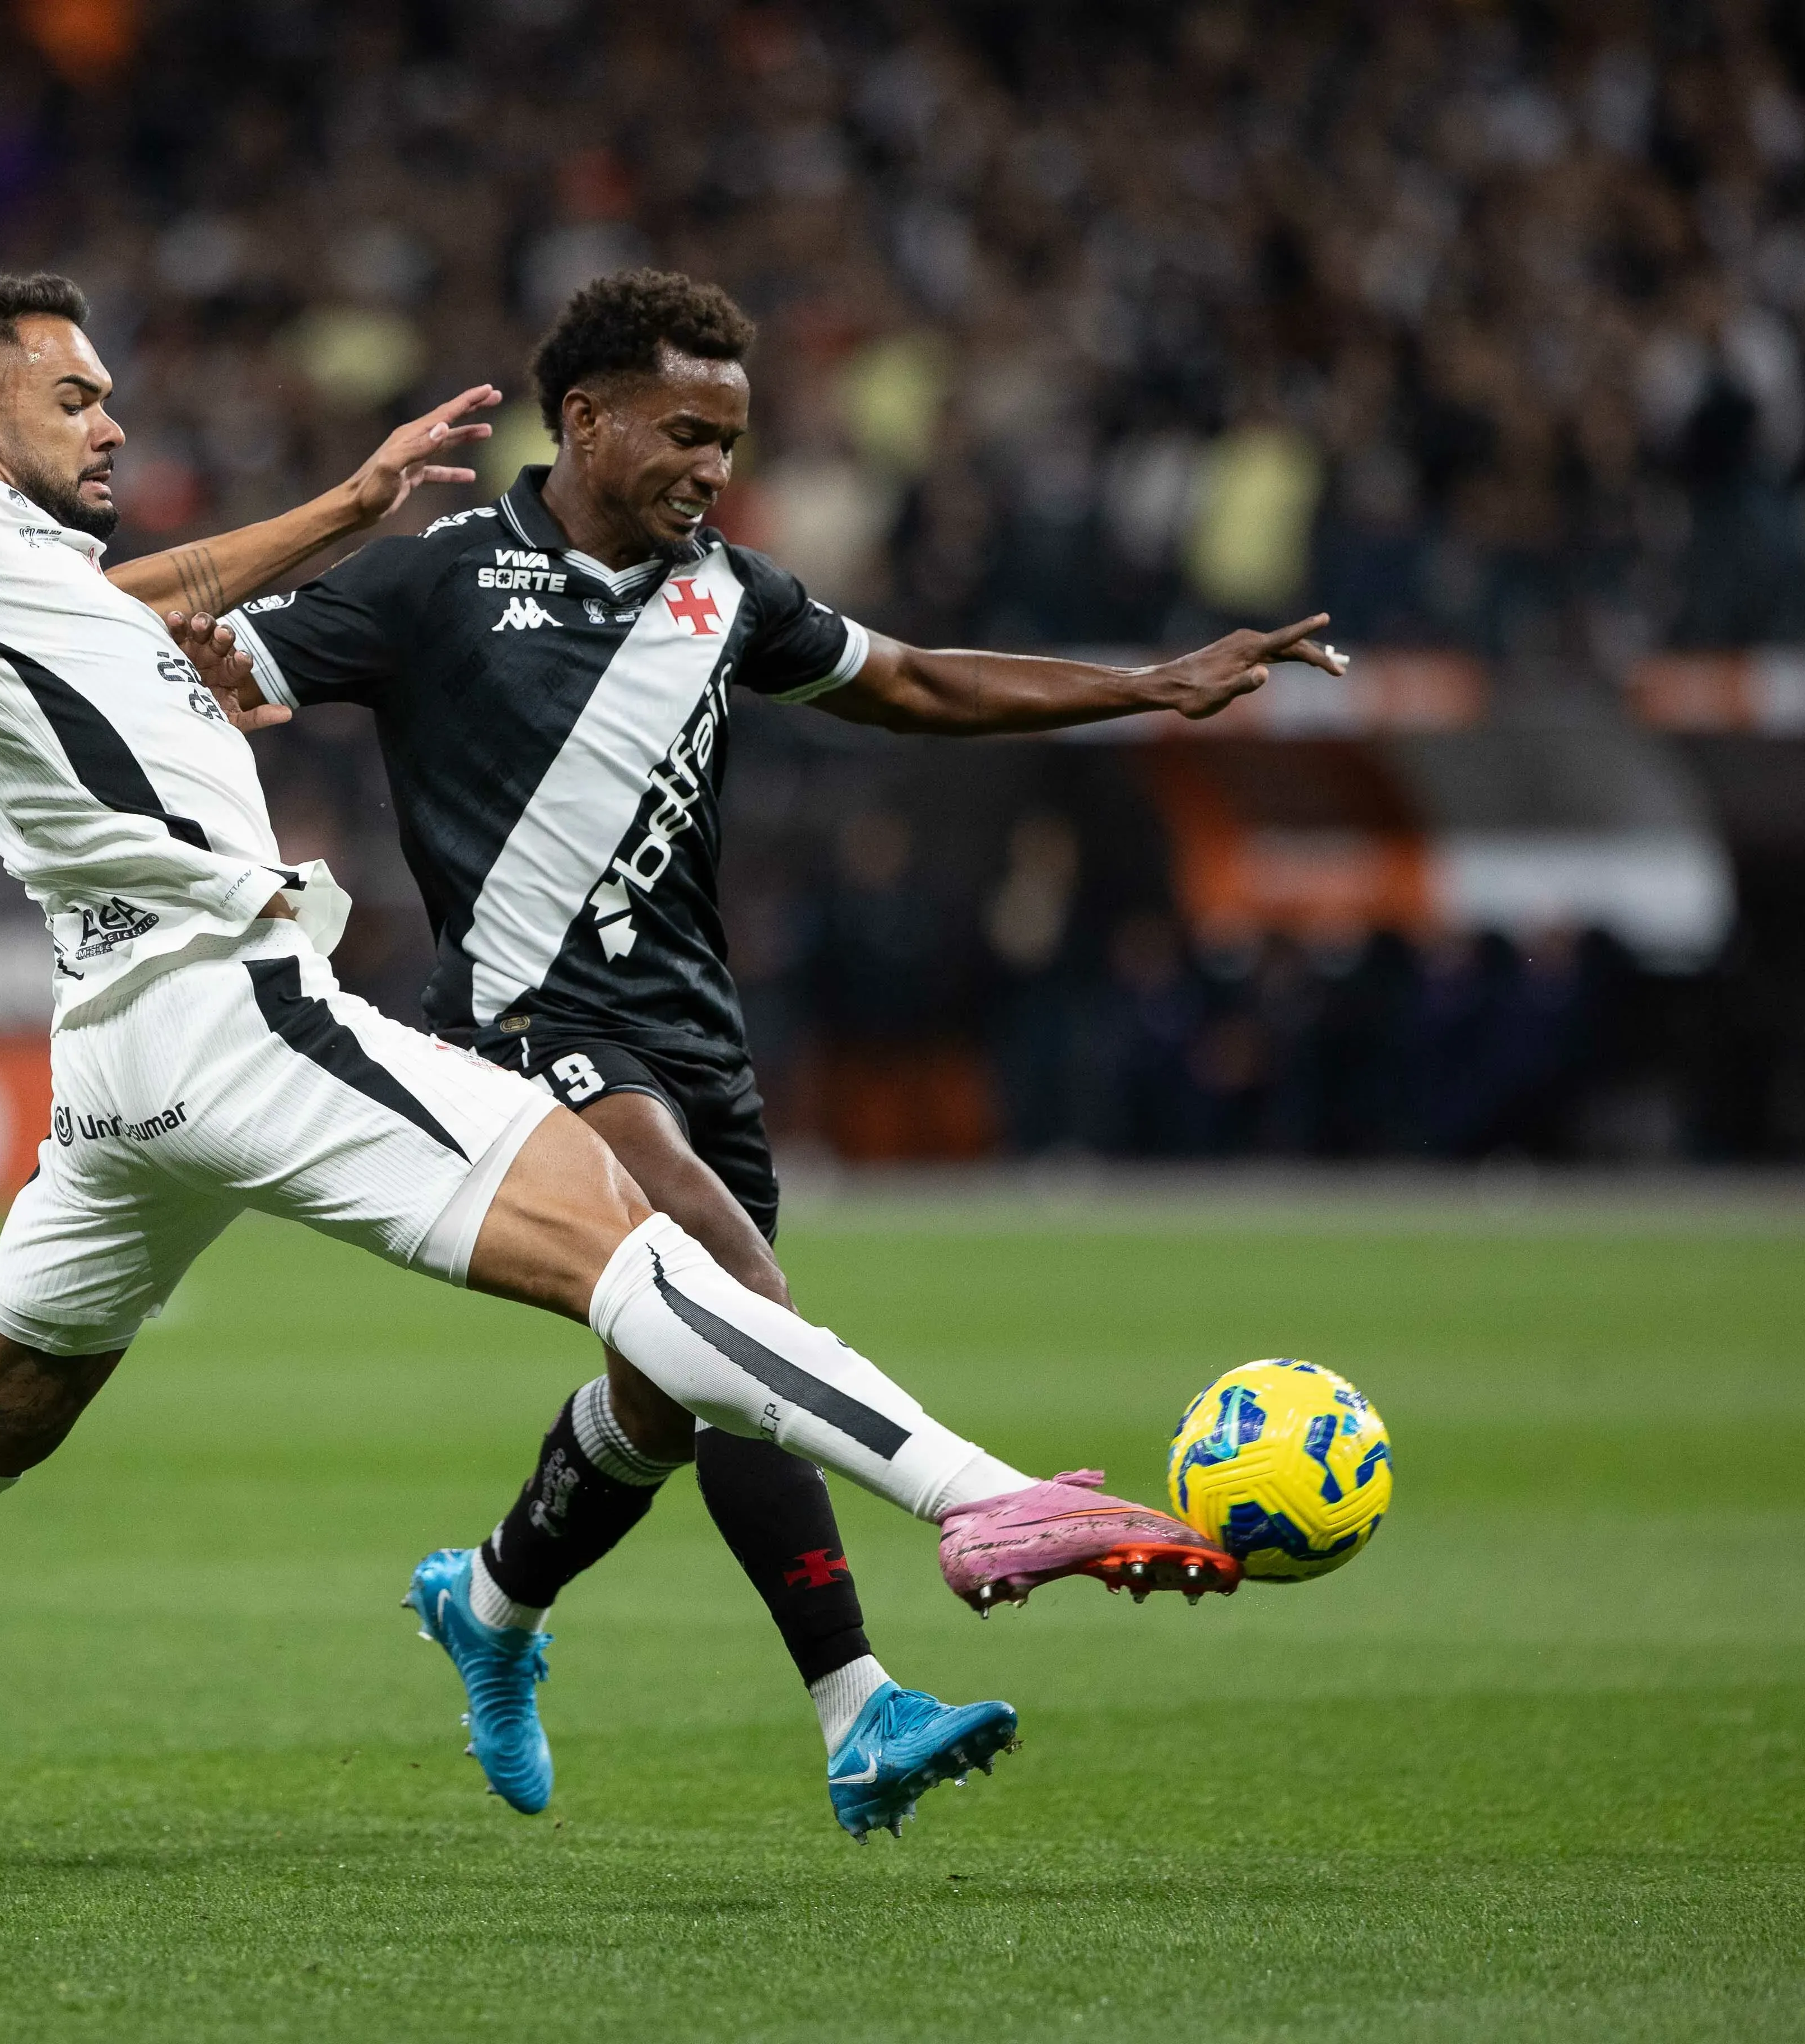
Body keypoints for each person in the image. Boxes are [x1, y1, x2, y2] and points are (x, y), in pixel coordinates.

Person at [0, 272, 1207, 1848]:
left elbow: (174, 588)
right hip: (234, 1002)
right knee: (644, 1254)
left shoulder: (45, 575)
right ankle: (977, 1495)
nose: (110, 416)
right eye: (73, 392)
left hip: (120, 1059)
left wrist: (347, 502)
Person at [185, 269, 1343, 1824]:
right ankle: (859, 1706)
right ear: (581, 418)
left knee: (673, 1396)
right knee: (743, 1310)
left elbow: (917, 682)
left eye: (729, 439)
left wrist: (1149, 687)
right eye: (684, 433)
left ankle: (492, 1601)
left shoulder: (730, 595)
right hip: (537, 1036)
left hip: (694, 1044)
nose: (712, 469)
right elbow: (201, 671)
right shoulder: (434, 581)